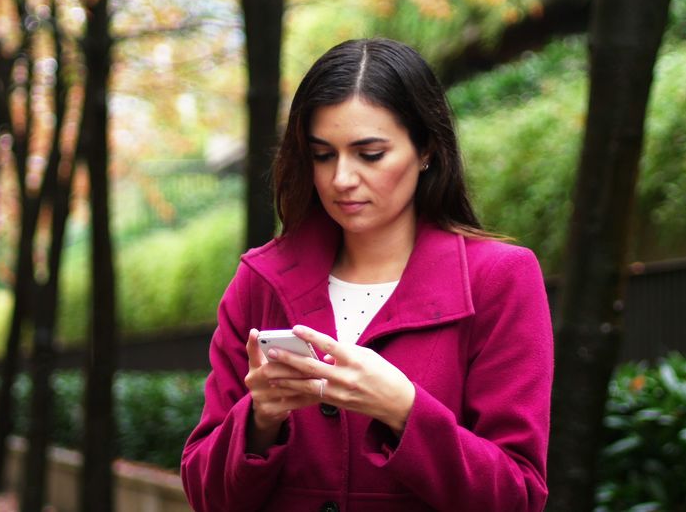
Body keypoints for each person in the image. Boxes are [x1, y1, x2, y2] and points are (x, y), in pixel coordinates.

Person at [181, 38, 553, 511]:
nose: (341, 179)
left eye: (370, 154)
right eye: (322, 155)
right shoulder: (261, 278)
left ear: (426, 150)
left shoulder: (499, 279)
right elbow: (204, 494)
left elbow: (517, 496)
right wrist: (258, 422)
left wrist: (404, 411)